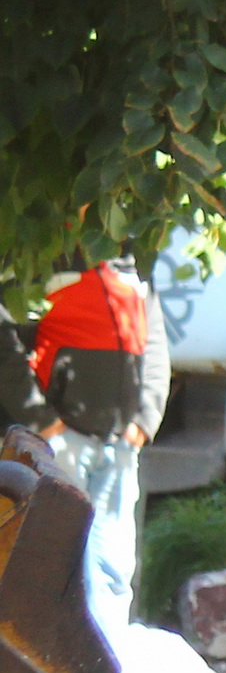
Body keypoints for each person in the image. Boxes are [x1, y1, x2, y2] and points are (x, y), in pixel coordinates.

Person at [14, 256, 172, 645]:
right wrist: (42, 420)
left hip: (118, 444)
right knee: (54, 562)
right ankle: (52, 665)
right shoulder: (45, 250)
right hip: (60, 441)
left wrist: (145, 420)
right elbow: (7, 339)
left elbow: (153, 342)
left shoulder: (132, 262)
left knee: (114, 567)